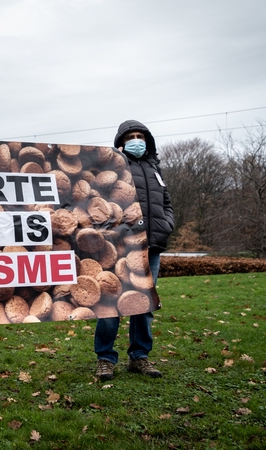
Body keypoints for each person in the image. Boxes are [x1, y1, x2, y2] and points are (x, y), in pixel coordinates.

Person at [94, 120, 174, 381]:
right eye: (131, 137)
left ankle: (140, 357)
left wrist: (167, 224)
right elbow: (100, 203)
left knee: (144, 304)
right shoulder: (112, 167)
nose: (136, 140)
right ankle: (105, 358)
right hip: (120, 246)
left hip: (151, 247)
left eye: (140, 136)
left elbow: (166, 202)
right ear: (120, 142)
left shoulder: (154, 168)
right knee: (110, 303)